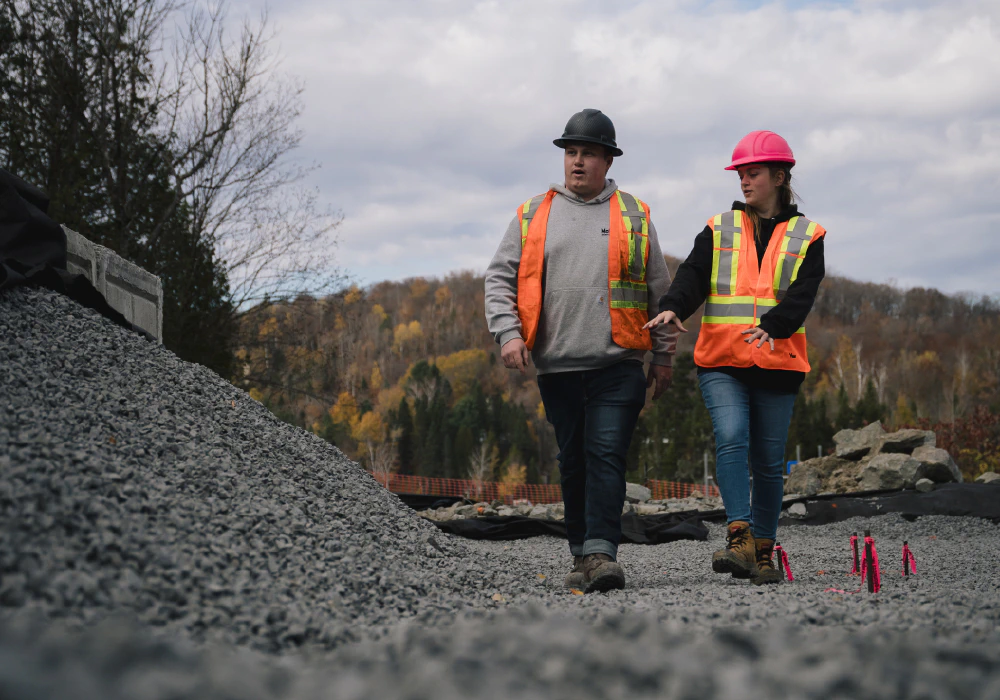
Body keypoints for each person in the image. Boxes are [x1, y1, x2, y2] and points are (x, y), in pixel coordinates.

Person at [485, 109, 677, 593]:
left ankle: (600, 553)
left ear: (608, 160)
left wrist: (665, 355)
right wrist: (508, 333)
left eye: (588, 153)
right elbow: (499, 278)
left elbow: (661, 293)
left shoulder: (634, 215)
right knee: (573, 461)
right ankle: (580, 550)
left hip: (619, 363)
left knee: (606, 454)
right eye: (571, 152)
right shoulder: (533, 214)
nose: (576, 162)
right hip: (558, 366)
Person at [645, 130, 826, 585]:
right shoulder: (719, 228)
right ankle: (739, 536)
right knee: (731, 436)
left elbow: (802, 295)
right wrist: (672, 305)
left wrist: (774, 325)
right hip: (721, 359)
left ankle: (764, 550)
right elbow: (691, 276)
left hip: (779, 360)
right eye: (741, 173)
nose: (744, 181)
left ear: (780, 176)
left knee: (767, 461)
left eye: (754, 172)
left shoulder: (809, 235)